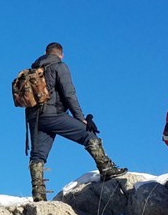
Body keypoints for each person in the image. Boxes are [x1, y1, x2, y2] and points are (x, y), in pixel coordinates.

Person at [24, 43, 127, 202]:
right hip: (54, 115)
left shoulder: (34, 69)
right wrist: (81, 118)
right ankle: (106, 168)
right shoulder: (59, 66)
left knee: (38, 155)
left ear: (45, 53)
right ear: (61, 54)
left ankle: (38, 194)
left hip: (35, 118)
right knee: (88, 134)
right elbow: (69, 94)